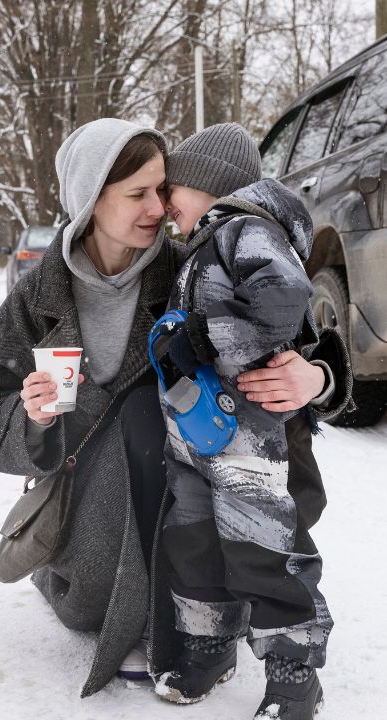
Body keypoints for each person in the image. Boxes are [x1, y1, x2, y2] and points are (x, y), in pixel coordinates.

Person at [0, 118, 351, 698]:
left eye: (163, 189)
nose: (160, 207)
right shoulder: (40, 295)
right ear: (91, 200)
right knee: (137, 426)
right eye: (138, 193)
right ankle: (152, 603)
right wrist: (32, 415)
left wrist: (314, 377)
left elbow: (294, 336)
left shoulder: (189, 263)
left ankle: (206, 623)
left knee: (149, 414)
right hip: (90, 493)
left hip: (194, 479)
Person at [151, 123, 334, 719]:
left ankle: (293, 673)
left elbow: (282, 299)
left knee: (265, 550)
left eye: (171, 186)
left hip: (248, 437)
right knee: (193, 542)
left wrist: (203, 337)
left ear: (206, 184)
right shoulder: (204, 243)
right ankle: (208, 647)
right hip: (197, 435)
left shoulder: (244, 230)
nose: (163, 204)